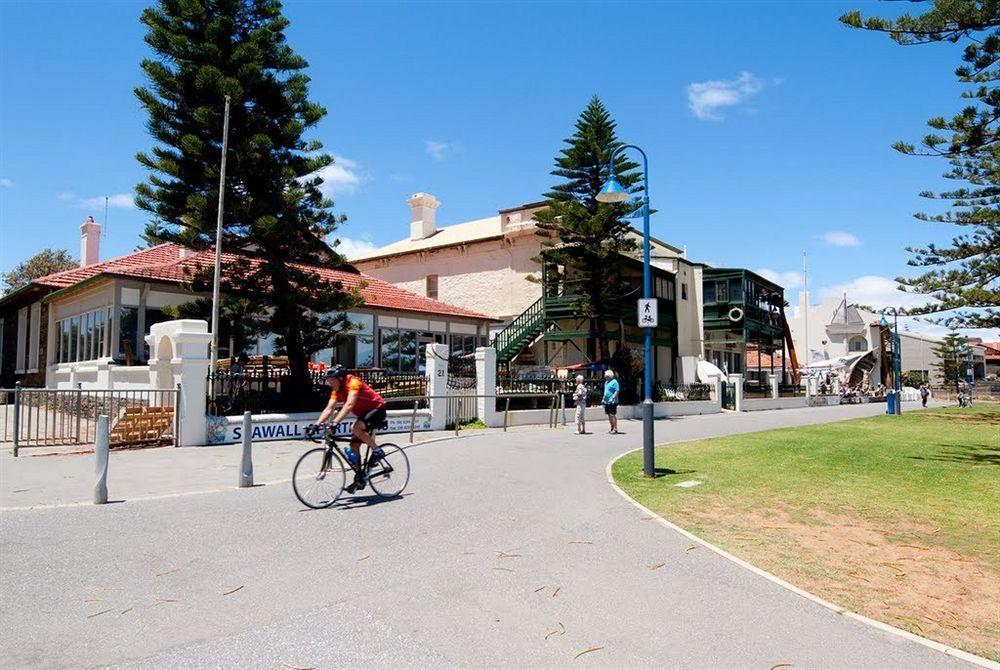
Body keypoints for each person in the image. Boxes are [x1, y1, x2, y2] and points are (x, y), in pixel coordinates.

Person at [316, 365, 387, 492]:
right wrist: (317, 425)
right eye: (329, 380)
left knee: (355, 427)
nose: (329, 382)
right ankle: (360, 477)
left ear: (341, 378)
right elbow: (329, 409)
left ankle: (377, 451)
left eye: (332, 379)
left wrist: (335, 423)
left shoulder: (353, 382)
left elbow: (349, 404)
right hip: (363, 414)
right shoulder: (336, 390)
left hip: (377, 409)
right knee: (353, 446)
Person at [603, 369, 620, 434]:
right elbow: (606, 392)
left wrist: (613, 397)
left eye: (606, 376)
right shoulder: (606, 383)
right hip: (607, 401)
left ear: (610, 376)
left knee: (612, 414)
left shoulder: (614, 382)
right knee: (609, 415)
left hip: (613, 401)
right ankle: (612, 427)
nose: (605, 377)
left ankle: (615, 428)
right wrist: (603, 398)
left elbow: (617, 391)